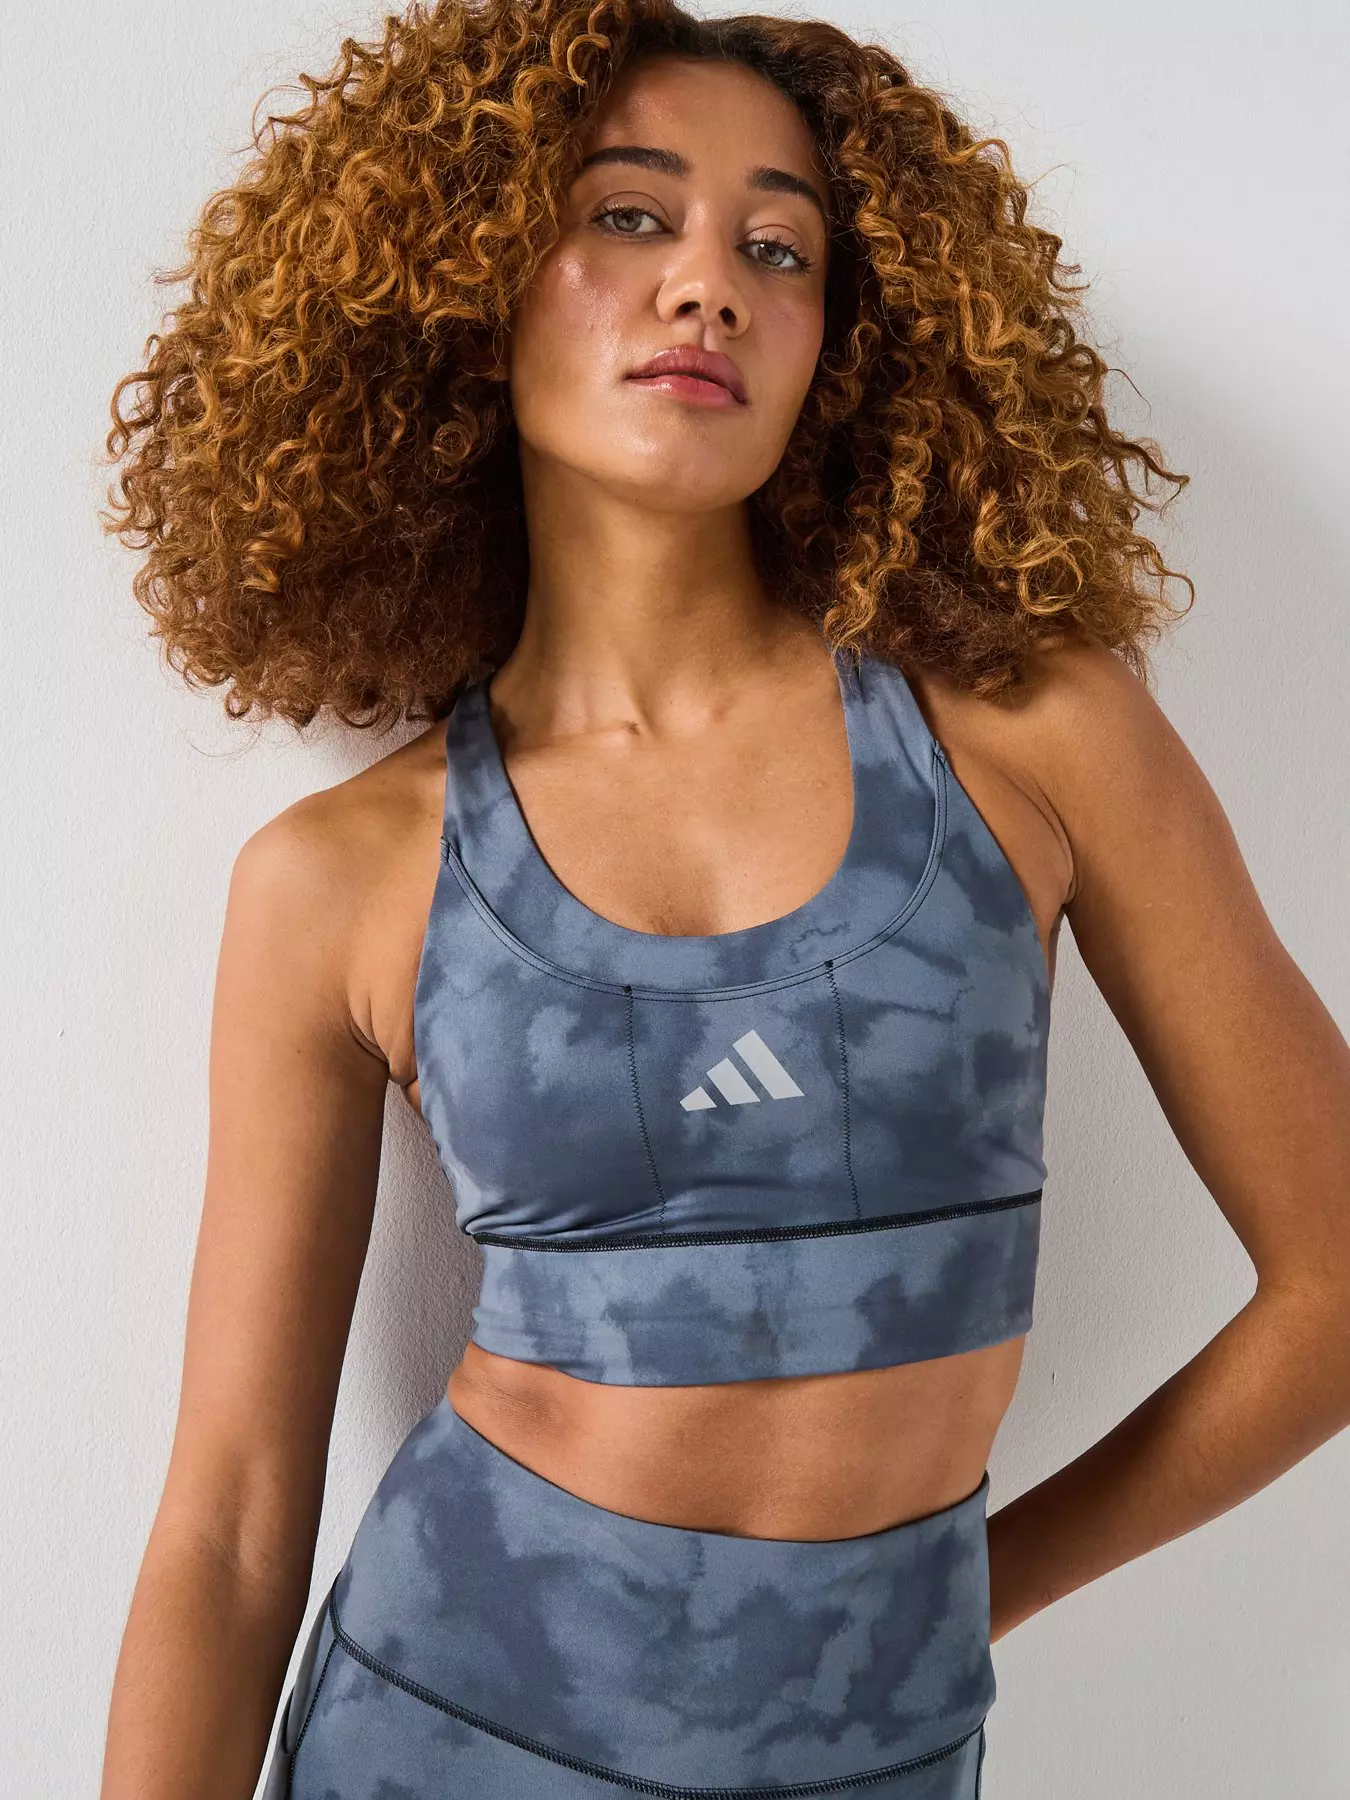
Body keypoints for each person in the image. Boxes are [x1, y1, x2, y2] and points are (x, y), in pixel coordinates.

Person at [97, 4, 1350, 1797]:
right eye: (628, 218)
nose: (707, 286)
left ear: (840, 338)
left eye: (778, 248)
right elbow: (227, 1526)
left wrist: (946, 1607)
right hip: (436, 1737)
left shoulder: (1029, 737)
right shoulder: (341, 876)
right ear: (470, 288)